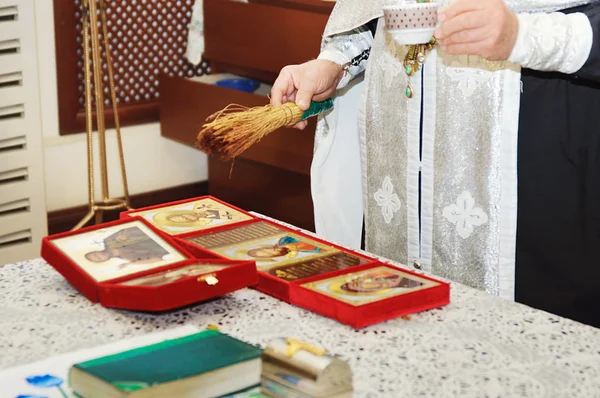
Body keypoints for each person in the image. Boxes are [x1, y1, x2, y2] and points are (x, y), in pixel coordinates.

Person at [271, 0, 600, 327]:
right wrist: (335, 62)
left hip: (537, 164)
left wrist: (520, 34)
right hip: (397, 162)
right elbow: (377, 14)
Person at [85, 226, 169, 269]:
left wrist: (127, 235)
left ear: (95, 251)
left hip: (160, 230)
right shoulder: (127, 257)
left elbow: (132, 227)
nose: (99, 256)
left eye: (95, 255)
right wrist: (130, 263)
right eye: (98, 259)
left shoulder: (109, 241)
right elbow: (158, 259)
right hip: (169, 243)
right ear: (104, 261)